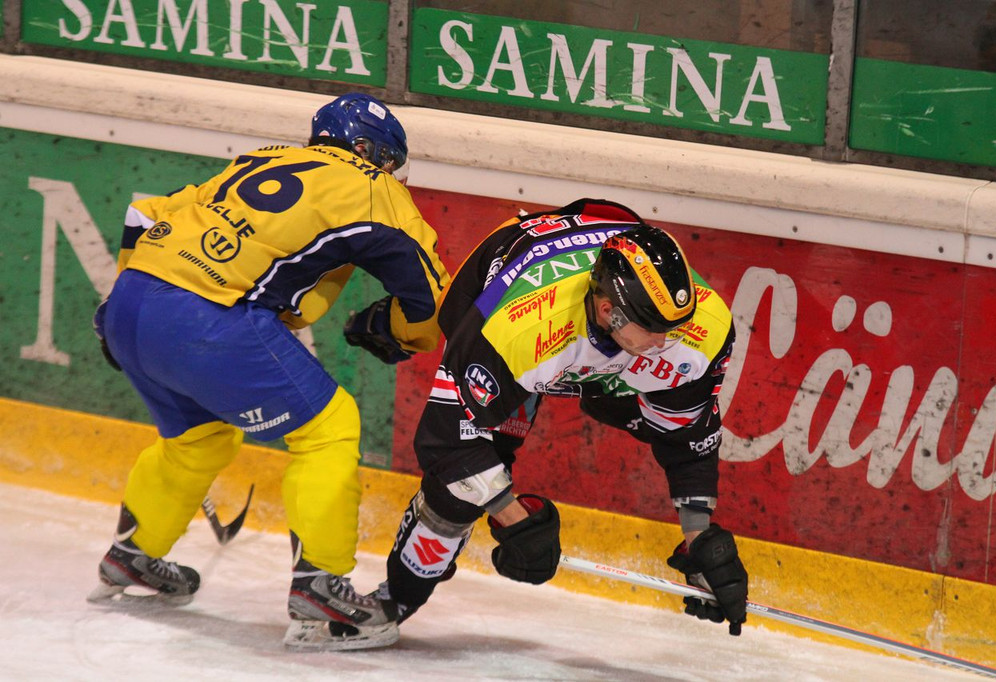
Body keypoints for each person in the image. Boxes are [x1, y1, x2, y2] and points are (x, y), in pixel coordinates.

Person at [88, 93, 450, 651]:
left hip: (130, 304)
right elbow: (428, 291)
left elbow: (145, 214)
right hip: (209, 315)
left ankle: (132, 555)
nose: (393, 174)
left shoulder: (263, 158)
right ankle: (321, 585)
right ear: (370, 152)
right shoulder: (374, 187)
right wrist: (404, 334)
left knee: (199, 438)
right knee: (329, 427)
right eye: (390, 161)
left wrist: (120, 306)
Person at [377, 198, 748, 636]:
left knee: (644, 403)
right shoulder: (517, 330)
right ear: (608, 311)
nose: (668, 342)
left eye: (676, 327)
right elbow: (444, 440)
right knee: (461, 487)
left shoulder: (702, 327)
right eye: (655, 330)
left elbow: (686, 436)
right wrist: (512, 518)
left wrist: (699, 540)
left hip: (592, 333)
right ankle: (395, 600)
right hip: (507, 298)